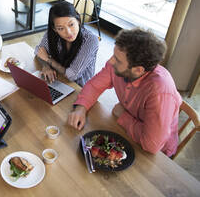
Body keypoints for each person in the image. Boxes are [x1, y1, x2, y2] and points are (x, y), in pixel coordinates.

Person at [68, 28, 182, 157]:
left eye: (117, 60)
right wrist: (81, 108)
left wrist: (123, 115)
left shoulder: (160, 91)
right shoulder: (119, 65)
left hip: (157, 155)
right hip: (128, 133)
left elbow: (152, 144)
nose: (111, 61)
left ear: (138, 70)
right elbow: (94, 86)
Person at [34, 1, 99, 86]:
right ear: (54, 29)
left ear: (78, 20)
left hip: (80, 88)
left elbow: (72, 75)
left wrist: (49, 60)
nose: (68, 32)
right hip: (58, 80)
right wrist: (46, 66)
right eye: (61, 28)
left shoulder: (90, 40)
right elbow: (39, 51)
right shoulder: (53, 34)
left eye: (71, 24)